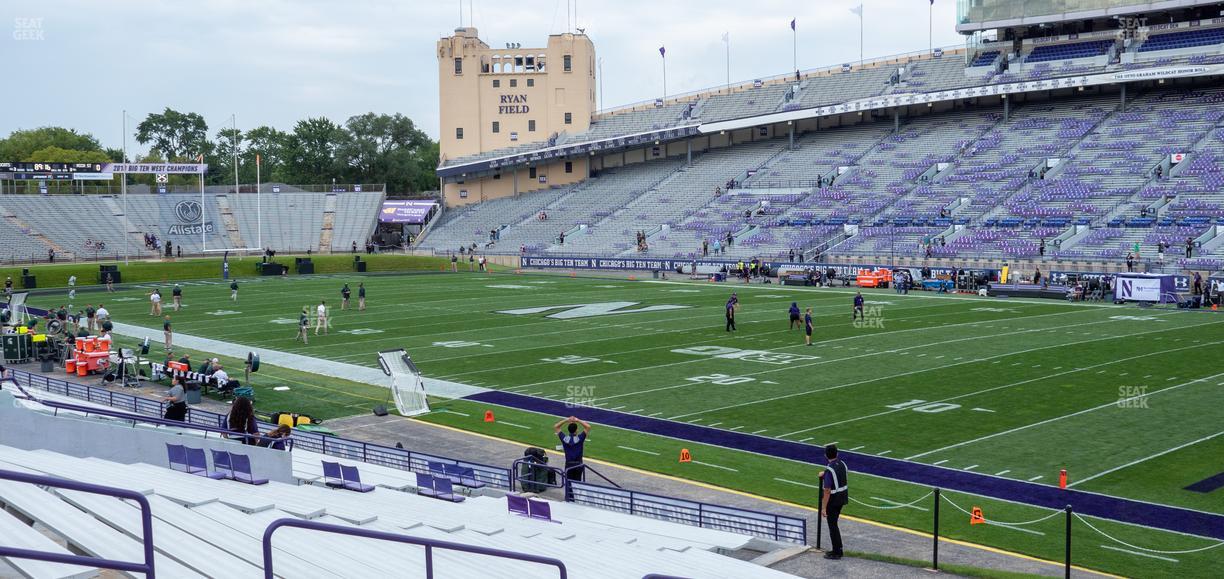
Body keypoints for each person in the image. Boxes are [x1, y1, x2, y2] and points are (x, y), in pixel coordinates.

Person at [821, 444, 849, 560]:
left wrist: (823, 508)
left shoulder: (829, 469)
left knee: (833, 526)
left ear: (826, 456)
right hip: (843, 497)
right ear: (837, 454)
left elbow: (827, 490)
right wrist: (825, 473)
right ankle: (838, 548)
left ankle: (837, 551)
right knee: (834, 524)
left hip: (833, 500)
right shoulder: (842, 464)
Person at [554, 416, 591, 500]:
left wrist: (567, 420)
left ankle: (569, 499)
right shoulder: (580, 438)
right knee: (577, 484)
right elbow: (588, 427)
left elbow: (556, 426)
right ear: (576, 430)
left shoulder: (564, 438)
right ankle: (577, 499)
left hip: (569, 465)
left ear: (568, 430)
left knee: (568, 483)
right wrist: (578, 420)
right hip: (578, 465)